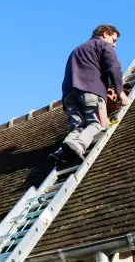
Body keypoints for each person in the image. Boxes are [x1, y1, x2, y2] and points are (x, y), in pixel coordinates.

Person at [50, 25, 129, 167]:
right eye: (114, 39)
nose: (114, 44)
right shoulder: (103, 45)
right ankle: (78, 146)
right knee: (97, 124)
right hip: (91, 91)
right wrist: (120, 92)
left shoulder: (77, 50)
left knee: (78, 127)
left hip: (69, 95)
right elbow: (113, 68)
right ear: (105, 34)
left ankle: (63, 152)